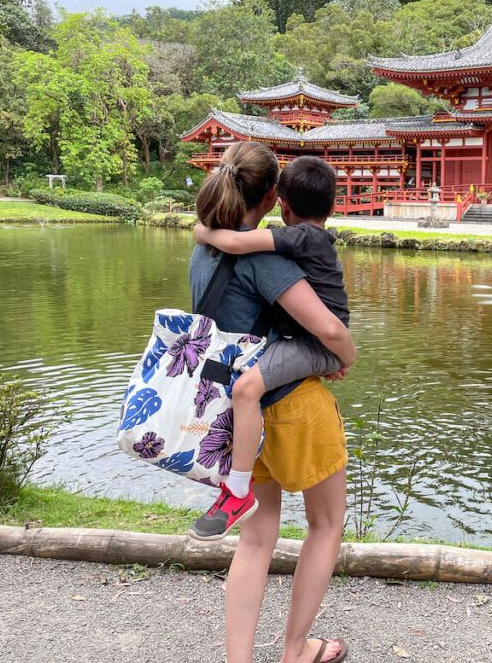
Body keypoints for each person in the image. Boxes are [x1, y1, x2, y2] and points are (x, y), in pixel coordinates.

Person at [190, 141, 352, 663]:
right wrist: (344, 354)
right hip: (292, 406)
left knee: (257, 537)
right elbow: (326, 326)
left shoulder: (205, 248)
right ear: (272, 196)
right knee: (325, 524)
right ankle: (296, 649)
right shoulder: (264, 256)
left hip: (243, 415)